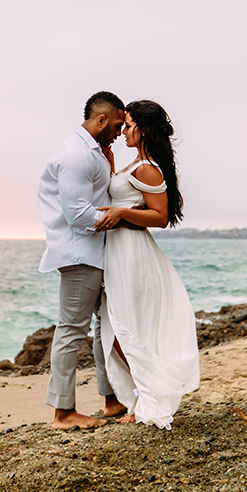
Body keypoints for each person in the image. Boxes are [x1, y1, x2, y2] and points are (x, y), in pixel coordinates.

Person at [93, 99, 200, 429]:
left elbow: (161, 216)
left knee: (129, 327)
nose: (123, 130)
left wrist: (122, 213)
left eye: (128, 125)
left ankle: (147, 399)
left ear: (144, 128)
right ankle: (142, 397)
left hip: (133, 256)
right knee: (120, 326)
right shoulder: (134, 165)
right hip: (119, 252)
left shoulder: (148, 168)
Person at [37, 91, 129, 430]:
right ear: (101, 120)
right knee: (70, 330)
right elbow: (76, 213)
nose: (121, 131)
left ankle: (112, 399)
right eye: (118, 124)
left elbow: (97, 195)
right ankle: (63, 412)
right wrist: (123, 218)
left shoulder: (96, 153)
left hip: (98, 252)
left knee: (105, 325)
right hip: (80, 252)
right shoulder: (76, 156)